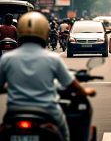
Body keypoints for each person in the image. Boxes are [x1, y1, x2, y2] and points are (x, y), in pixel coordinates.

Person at [0, 11, 96, 141]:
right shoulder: (52, 59)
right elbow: (71, 84)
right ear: (45, 33)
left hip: (14, 112)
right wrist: (85, 91)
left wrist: (10, 87)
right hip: (48, 110)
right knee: (65, 135)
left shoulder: (7, 58)